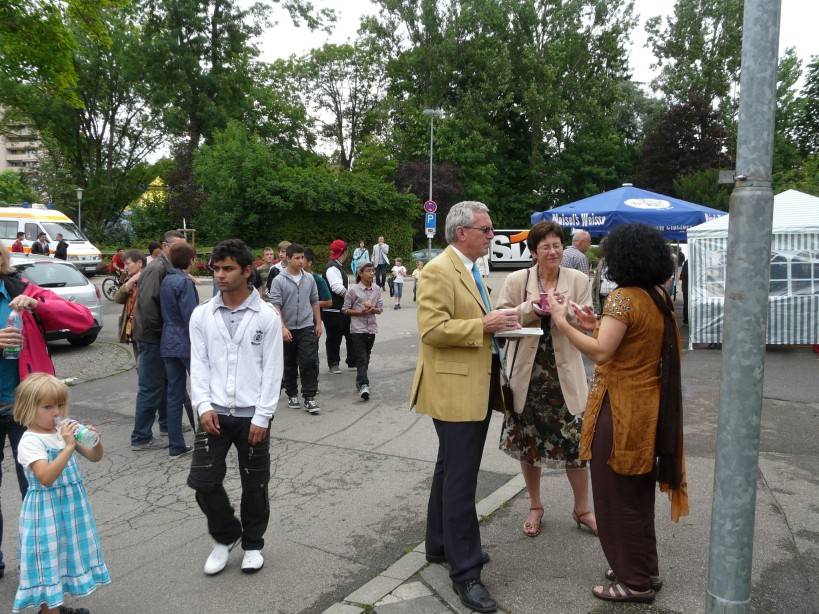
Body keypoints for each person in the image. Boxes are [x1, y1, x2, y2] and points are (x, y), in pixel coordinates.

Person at [547, 223, 689, 604]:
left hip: (621, 411)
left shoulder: (624, 297)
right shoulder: (656, 295)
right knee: (637, 497)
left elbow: (602, 352)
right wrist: (593, 324)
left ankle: (634, 582)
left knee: (615, 498)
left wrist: (561, 322)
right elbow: (630, 341)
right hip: (646, 410)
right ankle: (644, 568)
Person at [410, 201, 520, 614]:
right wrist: (485, 325)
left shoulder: (471, 268)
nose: (492, 236)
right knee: (461, 481)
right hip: (454, 390)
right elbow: (433, 330)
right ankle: (466, 572)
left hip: (470, 386)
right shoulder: (439, 270)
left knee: (449, 470)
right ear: (462, 232)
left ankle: (440, 545)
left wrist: (508, 317)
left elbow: (474, 319)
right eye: (486, 230)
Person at [495, 221, 596, 539]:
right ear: (533, 251)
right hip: (528, 376)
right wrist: (532, 308)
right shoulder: (517, 280)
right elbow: (500, 319)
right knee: (529, 446)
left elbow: (587, 323)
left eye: (557, 245)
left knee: (576, 446)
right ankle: (535, 506)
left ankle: (583, 509)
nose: (553, 252)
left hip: (565, 376)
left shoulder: (578, 279)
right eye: (546, 247)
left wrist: (572, 315)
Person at [187, 238, 283, 576]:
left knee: (254, 484)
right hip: (213, 412)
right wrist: (202, 405)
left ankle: (253, 544)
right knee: (202, 481)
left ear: (246, 271)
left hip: (251, 415)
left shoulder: (266, 316)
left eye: (228, 268)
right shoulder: (202, 314)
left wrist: (263, 416)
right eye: (216, 268)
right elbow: (198, 364)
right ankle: (227, 535)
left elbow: (273, 369)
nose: (220, 275)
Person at [0, 244, 94, 582]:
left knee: (38, 489)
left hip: (26, 408)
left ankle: (41, 565)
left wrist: (38, 305)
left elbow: (83, 320)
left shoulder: (22, 290)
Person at [12, 373, 109, 614]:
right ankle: (49, 611)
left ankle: (56, 608)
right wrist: (68, 447)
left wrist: (95, 441)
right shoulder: (30, 441)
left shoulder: (62, 432)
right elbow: (46, 477)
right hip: (46, 512)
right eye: (47, 407)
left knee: (62, 558)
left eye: (59, 405)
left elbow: (95, 457)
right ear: (28, 409)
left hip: (70, 509)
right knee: (47, 563)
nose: (56, 412)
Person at [130, 230, 185, 451]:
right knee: (151, 386)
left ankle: (166, 425)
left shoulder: (167, 267)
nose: (182, 251)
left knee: (165, 382)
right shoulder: (156, 268)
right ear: (165, 246)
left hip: (158, 336)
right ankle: (141, 437)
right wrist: (162, 334)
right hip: (152, 337)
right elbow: (148, 306)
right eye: (178, 247)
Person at [268, 243, 322, 415]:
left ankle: (309, 396)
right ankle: (292, 393)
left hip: (306, 325)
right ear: (288, 258)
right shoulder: (279, 280)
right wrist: (282, 327)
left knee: (308, 360)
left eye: (302, 258)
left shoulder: (309, 278)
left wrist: (318, 323)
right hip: (287, 327)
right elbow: (275, 305)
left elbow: (314, 301)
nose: (300, 261)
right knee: (289, 362)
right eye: (297, 258)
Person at [160, 241, 199, 458]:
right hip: (186, 340)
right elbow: (191, 316)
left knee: (174, 393)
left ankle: (176, 444)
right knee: (201, 389)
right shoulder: (184, 282)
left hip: (168, 339)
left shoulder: (167, 280)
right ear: (190, 260)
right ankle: (206, 437)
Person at [342, 262, 383, 401]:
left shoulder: (377, 289)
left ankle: (359, 381)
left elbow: (380, 309)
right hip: (357, 329)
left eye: (373, 271)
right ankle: (364, 385)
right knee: (361, 358)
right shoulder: (353, 290)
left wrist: (373, 309)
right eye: (368, 271)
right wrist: (360, 312)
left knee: (367, 356)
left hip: (371, 328)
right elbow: (345, 309)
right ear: (360, 273)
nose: (372, 273)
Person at [322, 239, 353, 374]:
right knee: (334, 338)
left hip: (341, 308)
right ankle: (333, 363)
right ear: (344, 252)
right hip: (333, 309)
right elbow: (337, 288)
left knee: (350, 334)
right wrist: (352, 298)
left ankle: (352, 361)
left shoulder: (337, 266)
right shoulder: (332, 267)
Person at [114, 249, 145, 361]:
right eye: (124, 264)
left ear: (139, 263)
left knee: (144, 363)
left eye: (128, 264)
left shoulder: (148, 279)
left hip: (144, 329)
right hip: (133, 327)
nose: (125, 267)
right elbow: (117, 298)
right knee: (139, 362)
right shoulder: (128, 278)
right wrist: (130, 282)